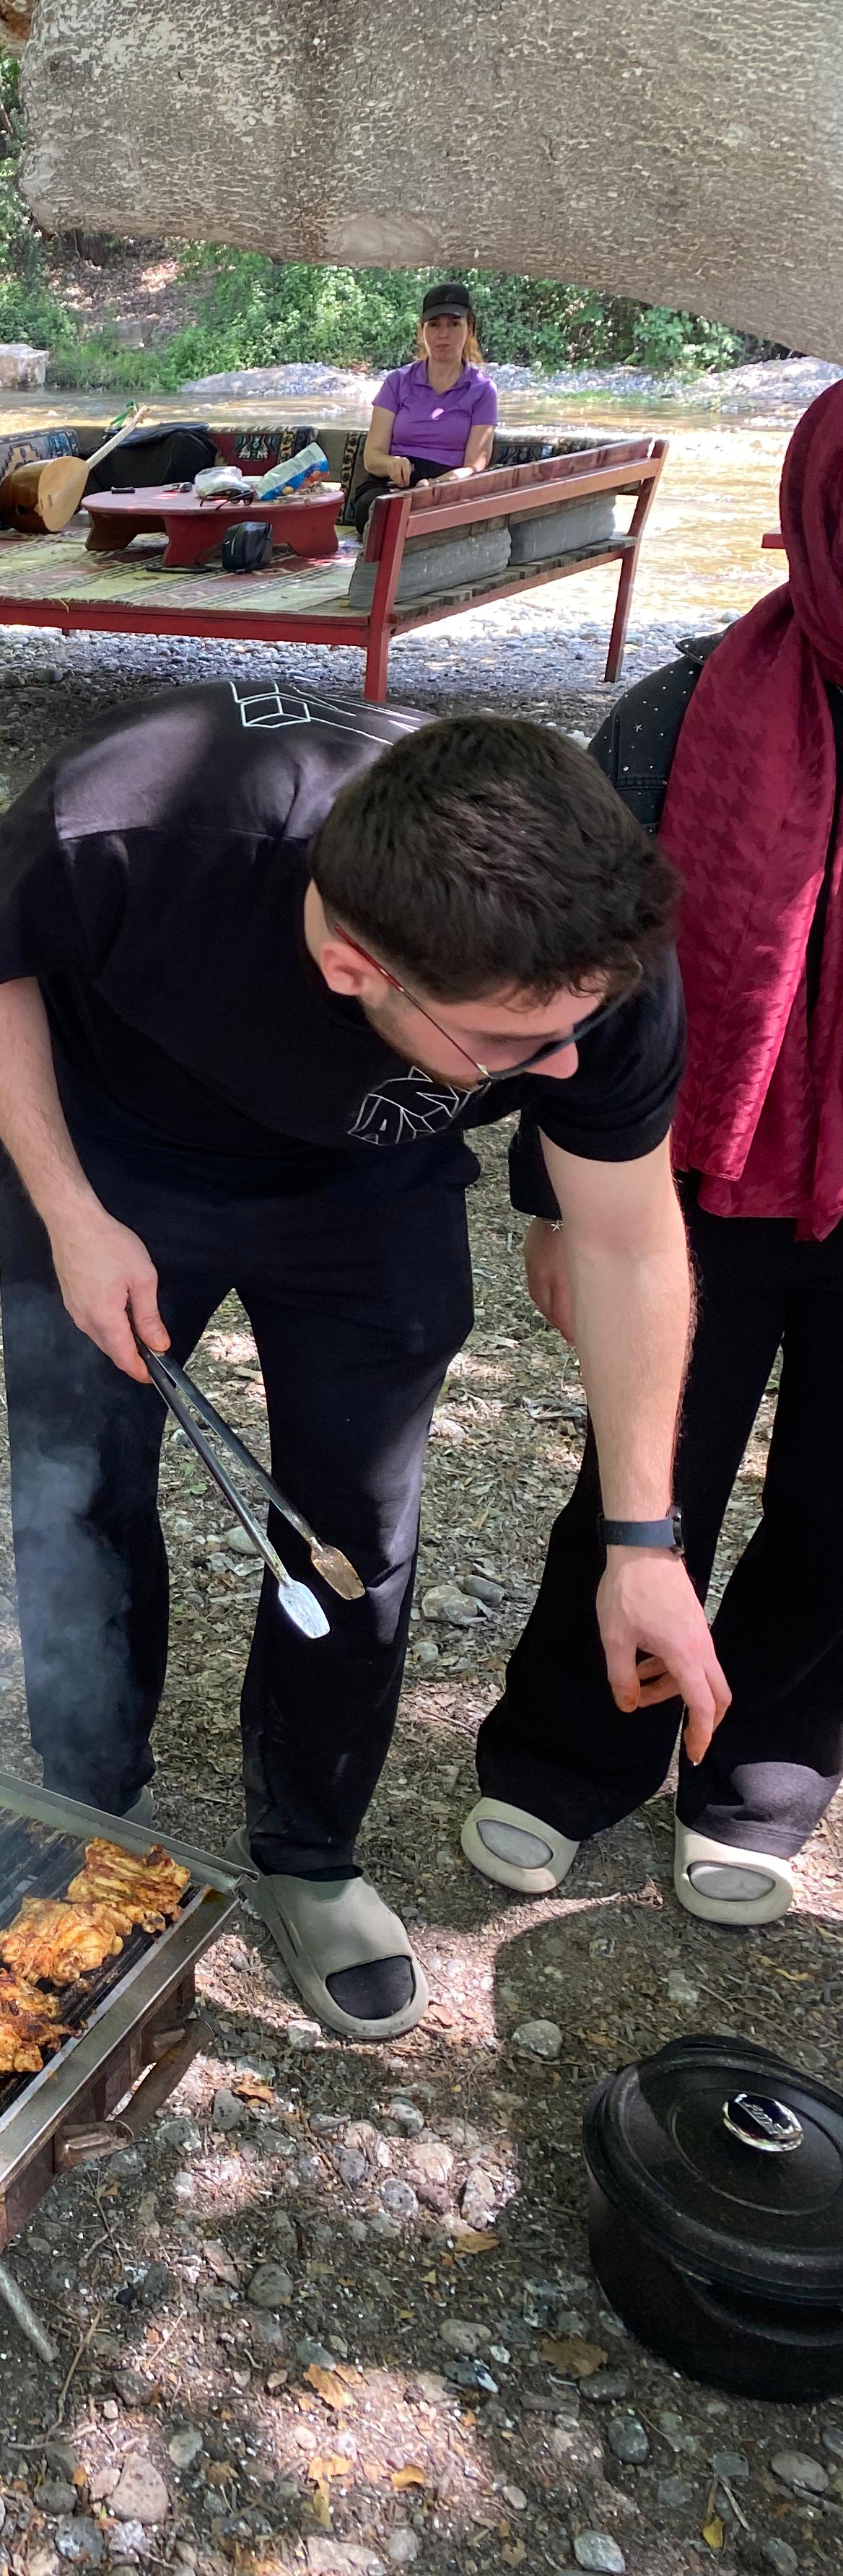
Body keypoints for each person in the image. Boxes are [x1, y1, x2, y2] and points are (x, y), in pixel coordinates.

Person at [0, 683, 716, 2042]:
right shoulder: (128, 826)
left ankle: (309, 1849)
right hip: (117, 1156)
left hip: (371, 1183)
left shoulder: (586, 966)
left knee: (355, 1521)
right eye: (514, 1044)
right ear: (356, 966)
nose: (562, 1067)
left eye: (575, 1028)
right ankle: (89, 1800)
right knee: (79, 1483)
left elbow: (630, 1242)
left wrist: (641, 1543)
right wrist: (68, 1209)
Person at [466, 385, 843, 1927]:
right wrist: (552, 1205)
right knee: (646, 1473)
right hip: (696, 1175)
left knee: (839, 1501)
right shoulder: (686, 708)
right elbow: (577, 974)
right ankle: (569, 1755)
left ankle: (761, 1774)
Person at [347, 281, 498, 536]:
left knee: (434, 518)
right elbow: (372, 457)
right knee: (378, 511)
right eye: (434, 324)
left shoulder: (483, 391)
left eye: (454, 324)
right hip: (392, 484)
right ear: (422, 331)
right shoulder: (397, 382)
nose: (443, 334)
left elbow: (474, 465)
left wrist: (435, 485)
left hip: (448, 487)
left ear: (470, 329)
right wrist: (392, 464)